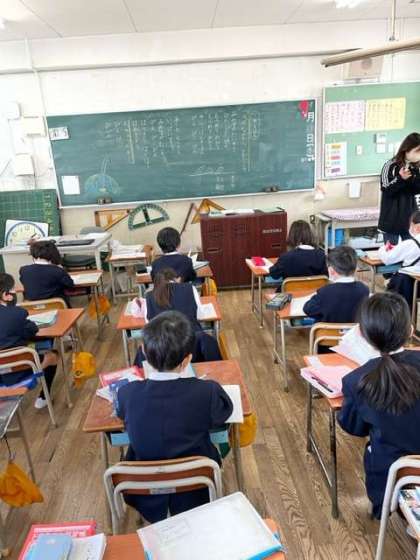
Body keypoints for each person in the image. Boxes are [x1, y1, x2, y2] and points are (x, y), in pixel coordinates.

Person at [117, 311, 233, 523]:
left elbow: (121, 414)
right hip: (197, 485)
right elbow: (223, 414)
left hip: (143, 488)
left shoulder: (127, 393)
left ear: (143, 352)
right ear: (188, 359)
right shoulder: (206, 391)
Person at [337, 292, 420, 519]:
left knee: (375, 449)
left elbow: (354, 428)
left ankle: (385, 513)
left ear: (364, 336)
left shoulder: (356, 380)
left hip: (392, 478)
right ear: (410, 330)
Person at [133, 268, 222, 366]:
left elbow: (150, 325)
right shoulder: (189, 288)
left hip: (164, 353)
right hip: (191, 348)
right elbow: (199, 314)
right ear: (177, 278)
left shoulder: (149, 296)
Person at [0, 273, 57, 409]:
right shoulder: (17, 314)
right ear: (5, 294)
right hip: (18, 371)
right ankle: (43, 397)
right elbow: (32, 331)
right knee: (53, 356)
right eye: (13, 289)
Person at [303, 245, 369, 323]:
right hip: (354, 330)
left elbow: (307, 309)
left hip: (327, 331)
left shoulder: (325, 292)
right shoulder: (364, 290)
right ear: (356, 269)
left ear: (331, 271)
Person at [378, 132, 420, 245]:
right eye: (417, 151)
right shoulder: (390, 165)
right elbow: (386, 189)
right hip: (391, 220)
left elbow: (416, 190)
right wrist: (401, 178)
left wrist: (416, 176)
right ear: (406, 149)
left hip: (410, 220)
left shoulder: (416, 166)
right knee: (391, 253)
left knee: (413, 251)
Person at [269, 220, 327, 291]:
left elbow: (274, 275)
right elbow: (325, 277)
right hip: (314, 294)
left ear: (292, 236)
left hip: (290, 295)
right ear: (310, 235)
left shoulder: (286, 257)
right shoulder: (321, 255)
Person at [378, 210, 420, 307]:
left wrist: (383, 248)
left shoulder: (410, 244)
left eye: (411, 225)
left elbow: (387, 259)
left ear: (417, 227)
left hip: (407, 285)